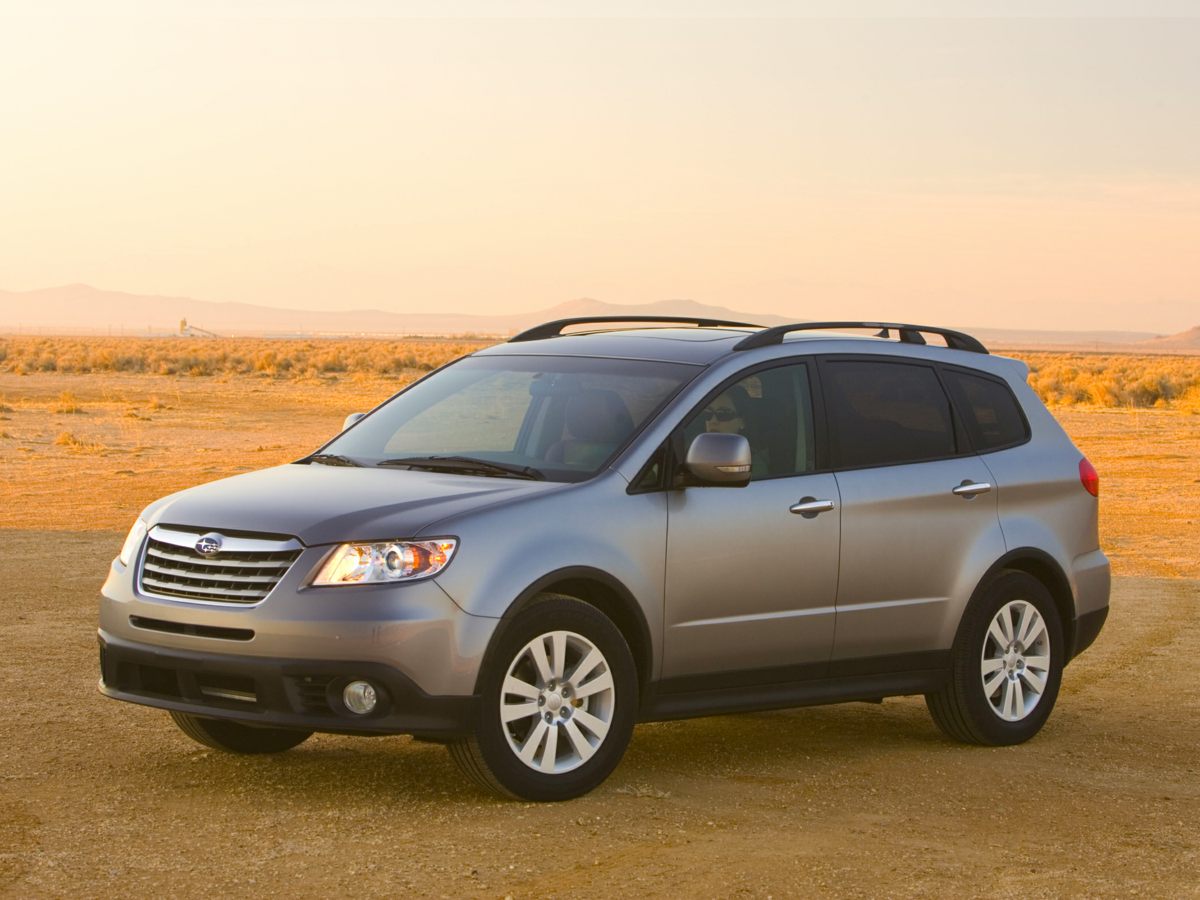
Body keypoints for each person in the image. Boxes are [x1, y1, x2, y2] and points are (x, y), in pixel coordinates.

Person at [701, 384, 767, 474]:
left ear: (742, 421)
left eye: (723, 414)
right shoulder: (692, 450)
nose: (713, 421)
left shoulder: (752, 463)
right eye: (708, 413)